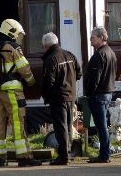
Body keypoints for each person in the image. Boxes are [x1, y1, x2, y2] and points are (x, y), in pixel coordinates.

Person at [0, 19, 42, 167]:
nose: (18, 37)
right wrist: (32, 82)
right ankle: (24, 157)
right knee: (18, 123)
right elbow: (24, 68)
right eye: (17, 34)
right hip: (12, 92)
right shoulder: (12, 48)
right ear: (11, 31)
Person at [41, 32, 82, 165]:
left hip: (58, 99)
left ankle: (63, 157)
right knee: (68, 126)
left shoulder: (51, 59)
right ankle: (68, 154)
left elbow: (48, 82)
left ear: (46, 45)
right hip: (71, 97)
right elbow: (79, 73)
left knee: (61, 127)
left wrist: (46, 95)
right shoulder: (69, 55)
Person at [84, 27, 116, 163]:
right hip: (108, 92)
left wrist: (89, 93)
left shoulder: (99, 55)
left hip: (98, 95)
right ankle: (105, 153)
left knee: (101, 126)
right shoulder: (111, 53)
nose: (91, 39)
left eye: (93, 37)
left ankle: (104, 154)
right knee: (103, 125)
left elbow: (95, 79)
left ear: (102, 38)